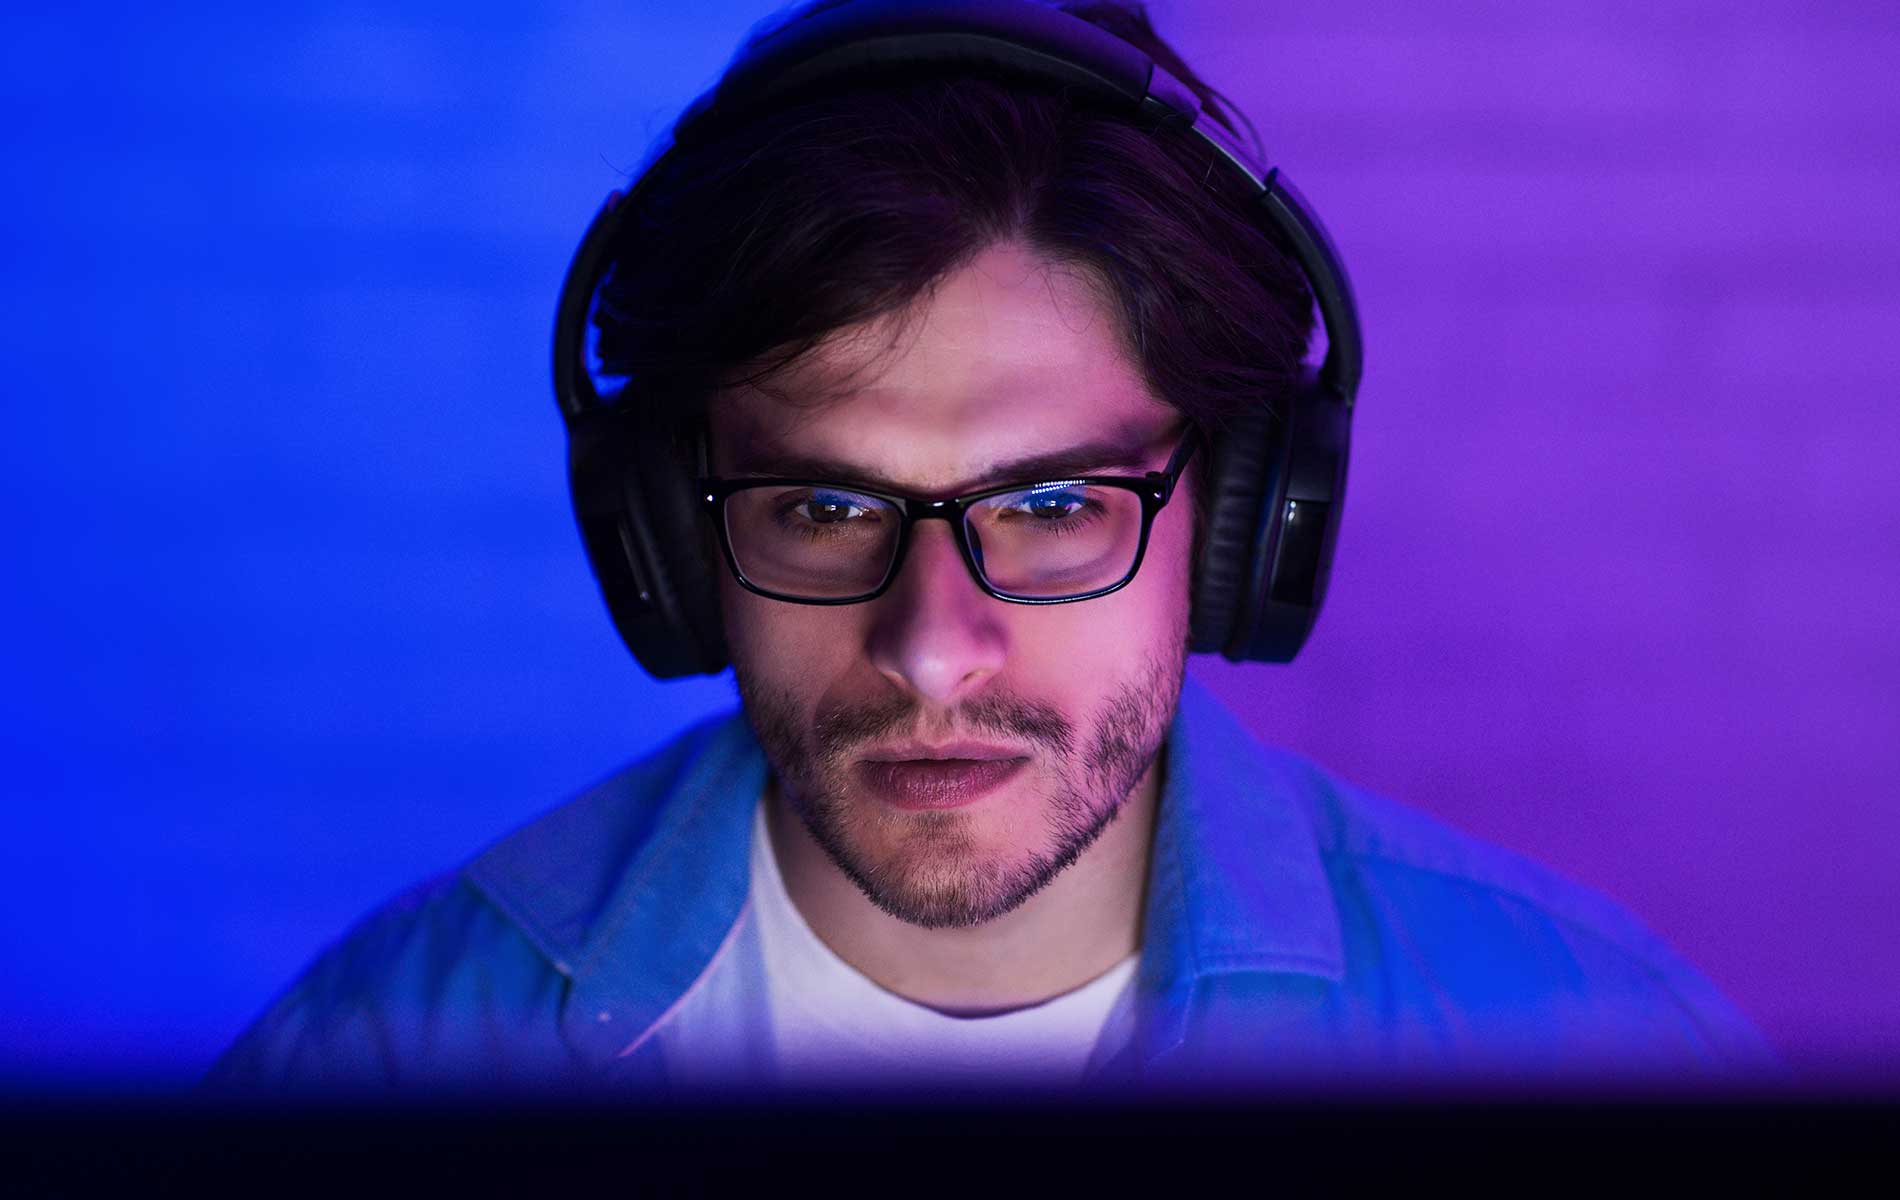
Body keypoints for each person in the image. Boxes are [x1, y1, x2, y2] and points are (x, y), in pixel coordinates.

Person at [204, 0, 1780, 1102]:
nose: (933, 646)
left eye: (1048, 506)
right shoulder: (391, 1054)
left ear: (1238, 526)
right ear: (670, 546)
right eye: (823, 508)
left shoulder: (1587, 1047)